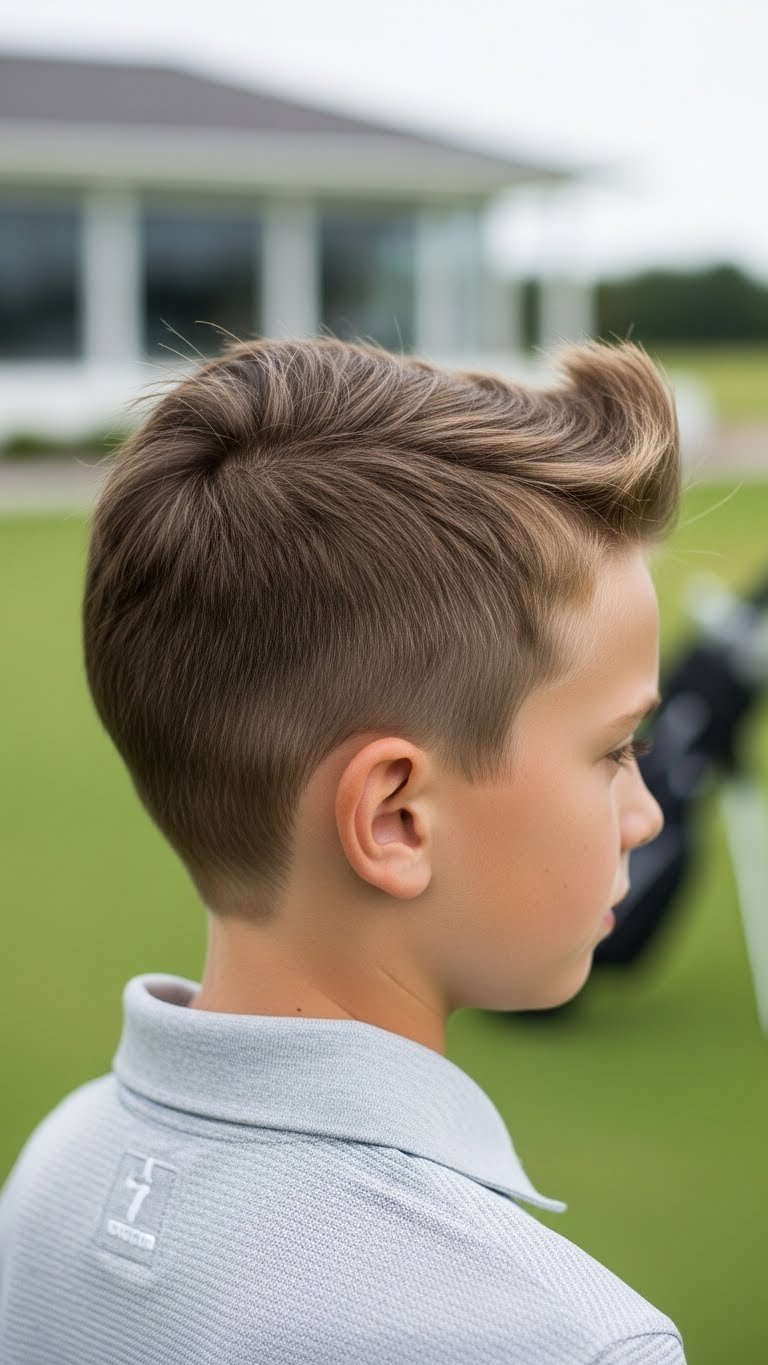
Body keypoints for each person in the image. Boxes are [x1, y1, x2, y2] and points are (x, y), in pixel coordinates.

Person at [0, 336, 687, 1363]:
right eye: (614, 751)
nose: (647, 814)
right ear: (396, 818)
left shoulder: (53, 1170)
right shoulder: (568, 1339)